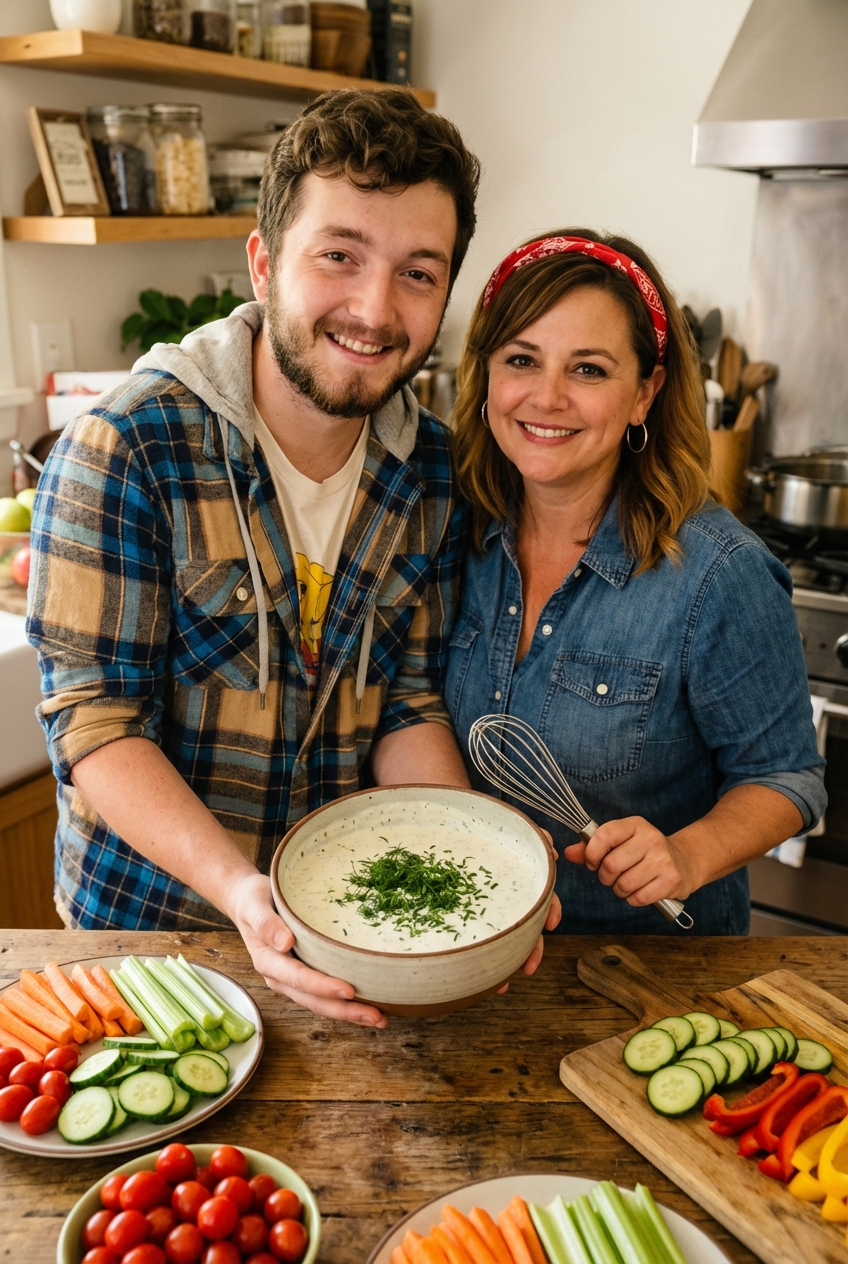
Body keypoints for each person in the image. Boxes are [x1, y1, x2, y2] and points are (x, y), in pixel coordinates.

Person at [27, 88, 560, 1030]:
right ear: (265, 264)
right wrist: (245, 897)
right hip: (157, 946)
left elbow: (406, 701)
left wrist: (481, 872)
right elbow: (95, 727)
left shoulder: (431, 468)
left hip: (354, 942)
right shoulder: (127, 448)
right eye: (340, 256)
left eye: (418, 273)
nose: (374, 308)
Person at [447, 229, 826, 935]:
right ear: (487, 376)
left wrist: (686, 853)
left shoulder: (717, 574)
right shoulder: (453, 532)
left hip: (649, 970)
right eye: (522, 360)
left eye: (588, 370)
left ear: (645, 392)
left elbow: (788, 778)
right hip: (472, 954)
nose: (547, 396)